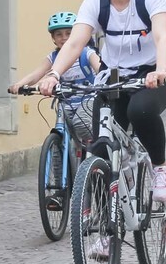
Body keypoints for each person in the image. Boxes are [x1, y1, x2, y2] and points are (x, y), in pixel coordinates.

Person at [37, 0, 166, 206]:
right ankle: (100, 227)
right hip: (113, 80)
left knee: (140, 110)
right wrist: (54, 73)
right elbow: (75, 42)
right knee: (99, 148)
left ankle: (160, 168)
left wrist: (160, 71)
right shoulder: (95, 3)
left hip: (151, 75)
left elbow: (162, 36)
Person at [9, 12, 101, 178]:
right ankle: (59, 192)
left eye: (68, 33)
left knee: (82, 124)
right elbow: (37, 74)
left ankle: (98, 153)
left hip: (87, 101)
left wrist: (104, 79)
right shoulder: (54, 57)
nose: (64, 38)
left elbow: (100, 69)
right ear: (53, 38)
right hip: (65, 103)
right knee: (58, 148)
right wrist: (20, 84)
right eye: (58, 34)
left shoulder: (86, 53)